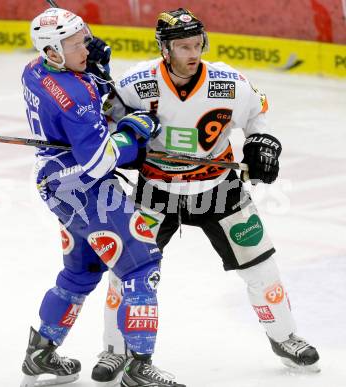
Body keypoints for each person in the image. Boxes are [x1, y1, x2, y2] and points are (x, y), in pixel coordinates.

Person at [91, 8, 320, 384]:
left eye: (197, 44)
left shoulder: (230, 82)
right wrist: (127, 143)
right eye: (183, 47)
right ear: (165, 49)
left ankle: (285, 336)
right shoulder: (136, 84)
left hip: (219, 188)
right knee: (126, 273)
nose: (193, 53)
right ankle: (115, 350)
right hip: (157, 191)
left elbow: (258, 119)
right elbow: (108, 127)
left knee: (262, 267)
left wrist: (263, 146)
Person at [20, 7, 186, 387]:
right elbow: (98, 161)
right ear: (52, 51)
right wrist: (133, 132)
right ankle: (138, 368)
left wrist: (98, 75)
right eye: (76, 44)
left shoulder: (34, 70)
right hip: (88, 189)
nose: (86, 46)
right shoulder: (74, 95)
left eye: (83, 38)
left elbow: (85, 106)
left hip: (56, 185)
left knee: (81, 272)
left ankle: (40, 352)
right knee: (141, 267)